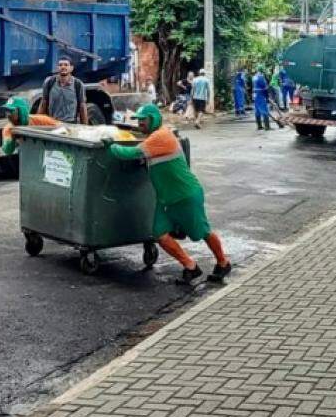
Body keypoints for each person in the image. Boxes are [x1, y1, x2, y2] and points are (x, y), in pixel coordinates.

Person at [106, 103, 231, 284]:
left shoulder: (161, 136)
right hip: (166, 200)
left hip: (185, 195)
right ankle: (190, 266)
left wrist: (112, 146)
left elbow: (132, 152)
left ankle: (223, 262)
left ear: (154, 120)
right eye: (139, 121)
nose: (141, 124)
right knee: (160, 234)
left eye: (144, 120)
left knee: (202, 231)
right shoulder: (154, 137)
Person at [38, 56, 88, 124]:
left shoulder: (78, 84)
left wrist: (85, 127)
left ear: (71, 68)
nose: (63, 67)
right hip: (52, 123)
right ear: (57, 68)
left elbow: (82, 107)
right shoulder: (49, 82)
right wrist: (38, 122)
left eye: (66, 65)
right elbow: (43, 104)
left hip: (70, 124)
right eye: (60, 65)